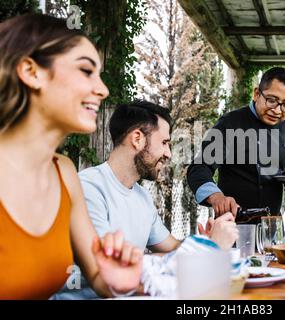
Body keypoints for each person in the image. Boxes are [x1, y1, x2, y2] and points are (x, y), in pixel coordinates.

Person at [0, 14, 143, 299]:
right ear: (31, 71)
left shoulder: (64, 173)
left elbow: (98, 277)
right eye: (86, 70)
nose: (103, 90)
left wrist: (117, 278)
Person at [53, 100, 238, 299]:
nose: (168, 154)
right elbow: (113, 270)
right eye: (165, 143)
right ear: (137, 139)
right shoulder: (89, 187)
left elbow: (172, 247)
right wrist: (207, 250)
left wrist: (205, 241)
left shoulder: (142, 196)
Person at [187, 67, 285, 220]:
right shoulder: (230, 123)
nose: (277, 110)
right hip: (232, 223)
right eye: (271, 100)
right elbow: (199, 168)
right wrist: (216, 197)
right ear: (257, 94)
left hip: (271, 224)